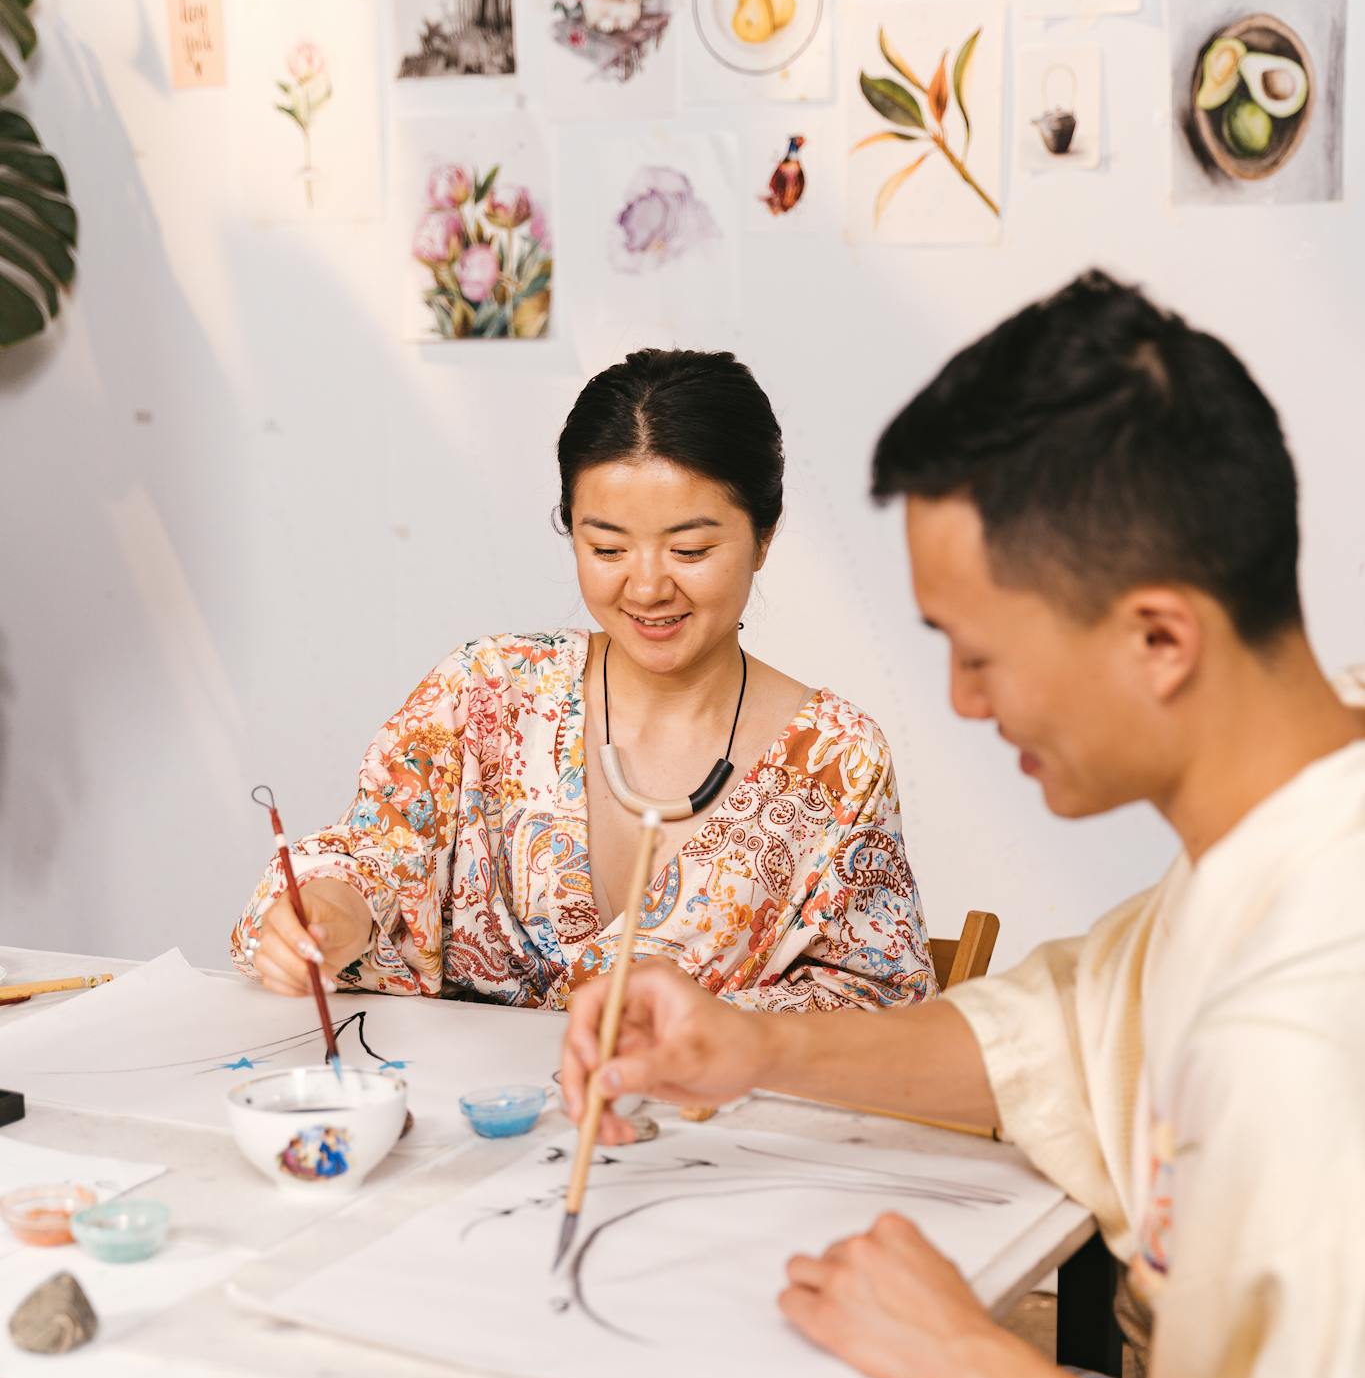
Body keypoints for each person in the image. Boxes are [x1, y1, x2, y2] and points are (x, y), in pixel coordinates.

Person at [561, 274, 1365, 1378]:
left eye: (980, 654)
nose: (963, 705)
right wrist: (752, 1045)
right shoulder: (1283, 845)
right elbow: (1044, 1030)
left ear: (1158, 638)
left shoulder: (1306, 1035)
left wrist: (980, 1365)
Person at [232, 349, 934, 1015]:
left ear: (765, 536)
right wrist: (332, 913)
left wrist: (716, 1025)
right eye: (606, 547)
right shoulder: (486, 692)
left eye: (690, 549)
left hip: (694, 1135)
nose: (649, 585)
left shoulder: (836, 760)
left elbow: (880, 998)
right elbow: (376, 856)